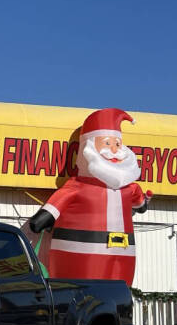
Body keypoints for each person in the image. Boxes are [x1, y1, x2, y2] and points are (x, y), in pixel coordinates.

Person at [29, 108, 152, 286]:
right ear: (88, 148)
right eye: (107, 143)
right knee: (84, 292)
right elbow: (49, 211)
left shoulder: (130, 189)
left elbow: (140, 206)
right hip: (81, 254)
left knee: (119, 292)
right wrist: (44, 217)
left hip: (124, 253)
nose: (114, 150)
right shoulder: (77, 186)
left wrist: (145, 202)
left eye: (118, 144)